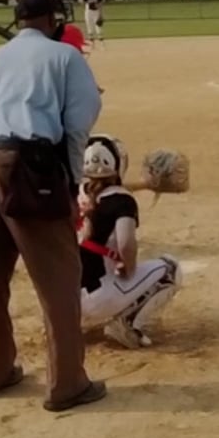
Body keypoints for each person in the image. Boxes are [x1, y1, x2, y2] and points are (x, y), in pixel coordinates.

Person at [0, 0, 108, 412]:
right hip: (25, 164)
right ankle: (67, 383)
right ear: (53, 20)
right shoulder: (65, 57)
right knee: (59, 276)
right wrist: (71, 185)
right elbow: (77, 126)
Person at [76, 135, 182, 350]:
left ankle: (66, 324)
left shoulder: (75, 190)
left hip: (63, 298)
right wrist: (129, 267)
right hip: (97, 300)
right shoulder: (122, 201)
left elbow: (103, 190)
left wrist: (144, 185)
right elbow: (125, 244)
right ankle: (127, 323)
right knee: (170, 269)